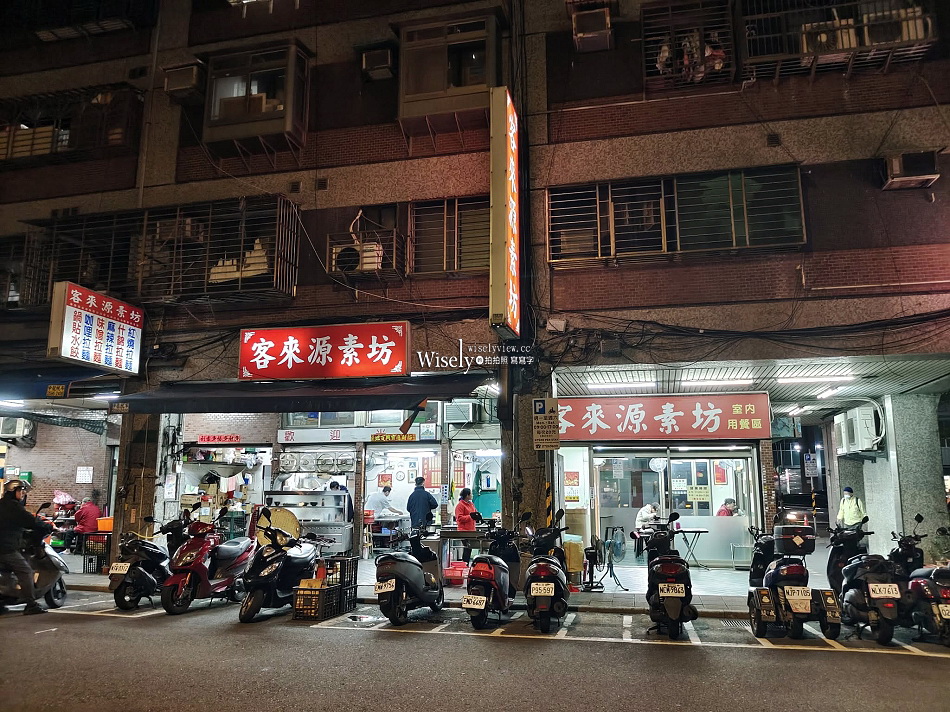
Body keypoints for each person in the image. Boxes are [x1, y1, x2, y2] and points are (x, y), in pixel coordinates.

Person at [0, 480, 49, 614]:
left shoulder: (3, 504)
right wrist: (49, 526)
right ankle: (31, 604)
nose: (22, 494)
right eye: (20, 491)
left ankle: (3, 601)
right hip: (6, 547)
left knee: (5, 573)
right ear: (12, 492)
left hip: (4, 545)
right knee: (25, 571)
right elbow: (30, 521)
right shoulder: (13, 507)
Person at [454, 488, 481, 564]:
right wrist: (470, 517)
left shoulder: (471, 504)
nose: (472, 495)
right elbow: (459, 518)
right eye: (471, 494)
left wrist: (477, 516)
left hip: (471, 530)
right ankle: (464, 565)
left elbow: (475, 512)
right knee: (467, 549)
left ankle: (466, 565)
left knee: (469, 549)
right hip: (463, 531)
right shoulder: (460, 505)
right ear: (467, 495)